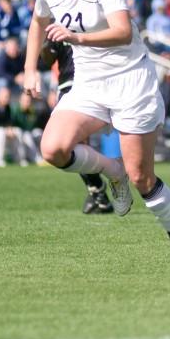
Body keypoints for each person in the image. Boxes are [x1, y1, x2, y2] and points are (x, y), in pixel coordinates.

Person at [23, 0, 170, 261]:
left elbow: (122, 31)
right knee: (53, 149)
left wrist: (77, 38)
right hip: (90, 82)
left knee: (142, 177)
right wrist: (29, 69)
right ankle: (110, 170)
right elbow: (36, 23)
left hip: (131, 80)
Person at [40, 36, 114, 214]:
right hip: (67, 84)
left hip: (93, 84)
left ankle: (103, 187)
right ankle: (98, 189)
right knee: (74, 145)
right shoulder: (57, 21)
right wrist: (44, 46)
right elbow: (49, 59)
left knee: (78, 144)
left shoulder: (93, 18)